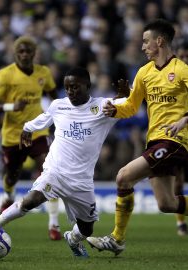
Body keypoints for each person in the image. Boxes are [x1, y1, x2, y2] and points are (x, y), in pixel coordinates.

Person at [0, 67, 129, 258]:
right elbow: (41, 120)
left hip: (82, 180)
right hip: (56, 171)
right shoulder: (58, 105)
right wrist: (27, 129)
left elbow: (129, 104)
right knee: (31, 200)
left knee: (87, 229)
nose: (70, 92)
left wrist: (125, 97)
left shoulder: (103, 107)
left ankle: (73, 239)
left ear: (87, 86)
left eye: (75, 87)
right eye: (67, 88)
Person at [87, 19, 188, 255]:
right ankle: (118, 239)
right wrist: (115, 109)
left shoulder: (182, 70)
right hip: (154, 140)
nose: (143, 47)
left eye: (146, 41)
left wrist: (184, 119)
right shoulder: (144, 73)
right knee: (167, 204)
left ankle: (117, 239)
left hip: (175, 141)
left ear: (159, 41)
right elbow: (132, 106)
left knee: (123, 177)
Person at [0, 36, 61, 240]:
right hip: (13, 134)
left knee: (49, 171)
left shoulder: (43, 73)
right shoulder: (5, 74)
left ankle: (54, 224)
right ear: (15, 54)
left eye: (28, 52)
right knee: (12, 175)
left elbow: (56, 96)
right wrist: (11, 106)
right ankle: (8, 196)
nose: (25, 55)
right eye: (21, 52)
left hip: (37, 131)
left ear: (34, 53)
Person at [172, 43, 188, 236]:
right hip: (177, 134)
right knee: (177, 180)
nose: (184, 59)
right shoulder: (173, 77)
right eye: (181, 56)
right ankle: (180, 223)